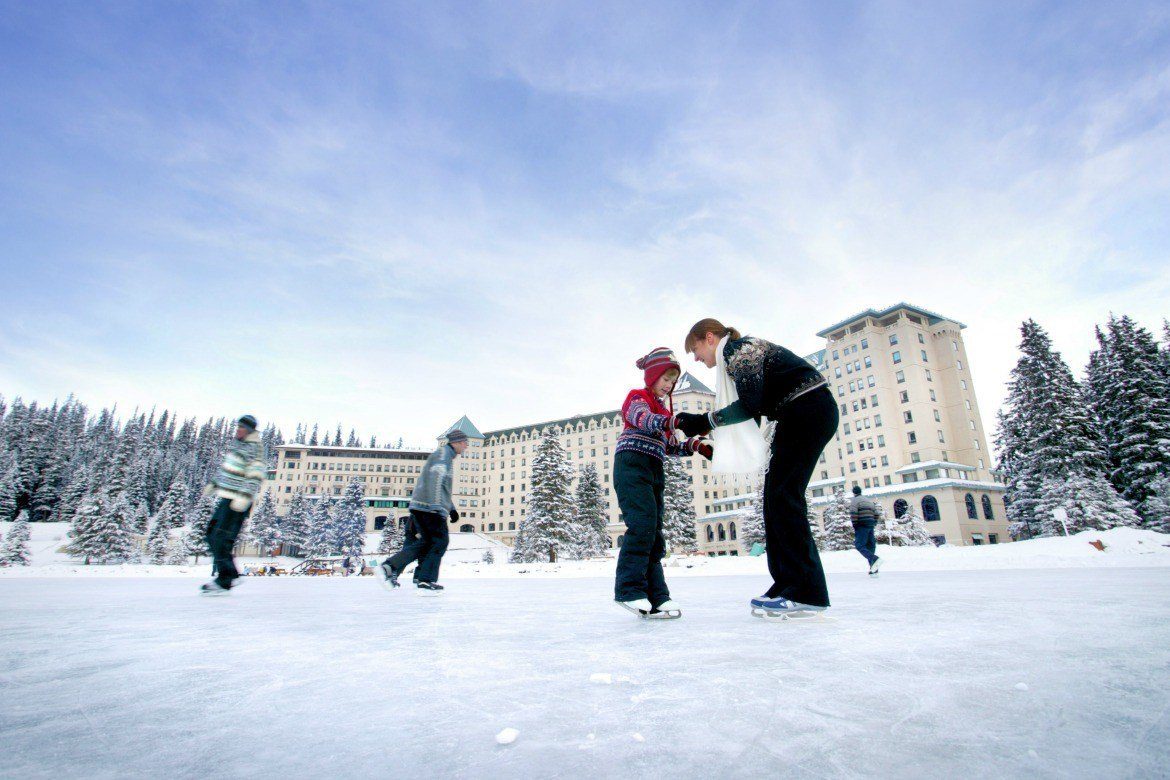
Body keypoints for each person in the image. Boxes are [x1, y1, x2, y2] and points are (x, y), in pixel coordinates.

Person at [676, 320, 838, 618]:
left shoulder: (739, 351)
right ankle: (787, 583)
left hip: (808, 410)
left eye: (695, 349)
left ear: (709, 338)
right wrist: (713, 440)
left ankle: (806, 591)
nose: (696, 358)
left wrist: (704, 421)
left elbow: (750, 406)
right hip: (798, 414)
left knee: (784, 497)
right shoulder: (736, 355)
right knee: (775, 499)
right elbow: (754, 417)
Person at [613, 347, 712, 618]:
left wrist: (695, 445)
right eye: (665, 379)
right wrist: (673, 421)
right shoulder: (638, 398)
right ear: (653, 375)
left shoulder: (662, 409)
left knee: (654, 533)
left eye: (673, 381)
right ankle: (629, 590)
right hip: (631, 464)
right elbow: (642, 420)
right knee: (642, 525)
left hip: (654, 468)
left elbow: (670, 446)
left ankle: (658, 598)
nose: (669, 386)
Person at [379, 429, 469, 592]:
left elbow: (443, 487)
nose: (466, 446)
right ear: (456, 442)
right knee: (440, 541)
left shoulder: (445, 455)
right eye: (464, 443)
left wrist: (452, 508)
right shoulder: (444, 455)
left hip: (424, 507)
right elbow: (435, 481)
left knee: (427, 542)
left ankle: (397, 569)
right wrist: (435, 507)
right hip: (428, 508)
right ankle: (420, 577)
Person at [200, 414, 267, 595]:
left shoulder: (254, 448)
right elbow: (228, 470)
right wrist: (214, 484)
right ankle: (229, 575)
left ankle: (226, 578)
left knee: (221, 537)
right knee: (211, 534)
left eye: (242, 427)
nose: (238, 430)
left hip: (239, 500)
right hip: (227, 497)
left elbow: (256, 474)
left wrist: (244, 497)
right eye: (237, 427)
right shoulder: (238, 446)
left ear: (250, 430)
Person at [850, 485, 882, 575]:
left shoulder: (854, 501)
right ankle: (874, 568)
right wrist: (874, 522)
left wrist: (855, 525)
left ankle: (875, 559)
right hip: (870, 525)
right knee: (870, 546)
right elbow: (877, 513)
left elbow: (853, 513)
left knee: (859, 545)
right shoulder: (868, 501)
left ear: (854, 492)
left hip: (861, 525)